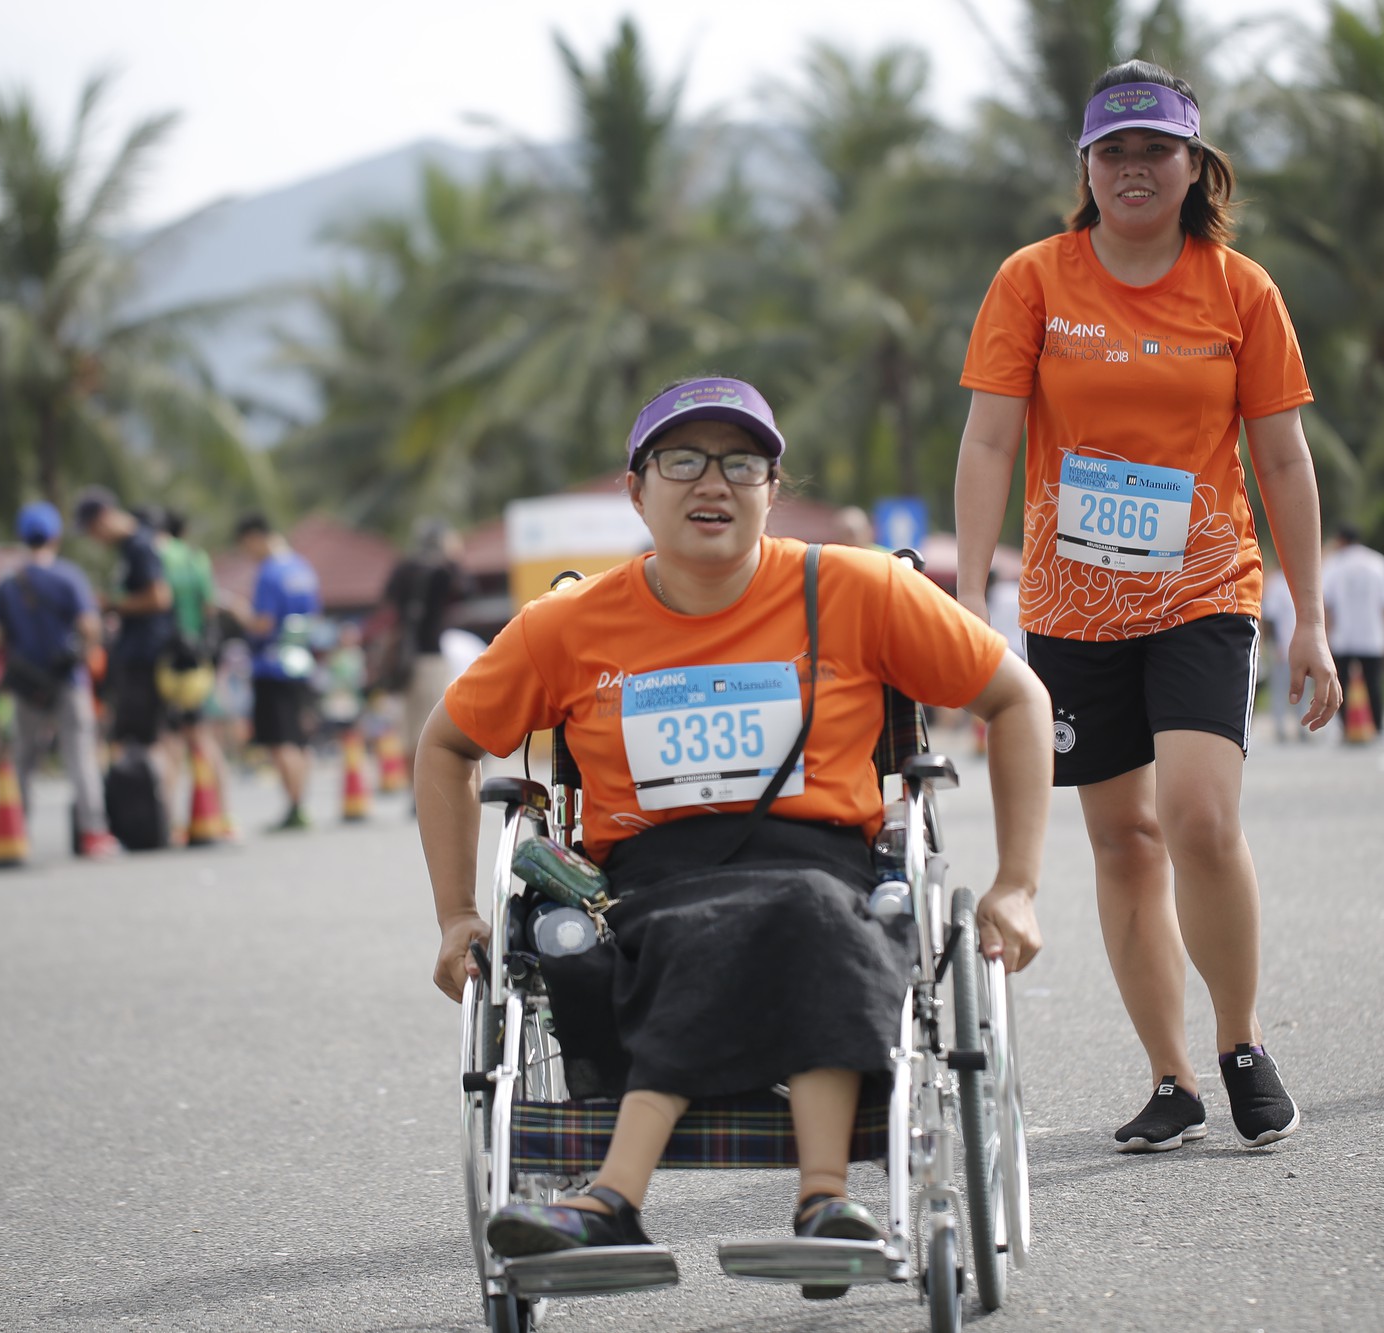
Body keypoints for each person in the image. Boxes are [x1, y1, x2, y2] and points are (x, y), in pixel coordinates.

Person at [417, 376, 1052, 1265]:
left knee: (809, 910)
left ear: (771, 489)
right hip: (644, 888)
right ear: (636, 490)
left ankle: (707, 1200)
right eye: (682, 461)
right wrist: (457, 917)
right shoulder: (564, 625)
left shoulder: (855, 589)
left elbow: (1017, 698)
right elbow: (444, 744)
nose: (712, 482)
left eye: (741, 462)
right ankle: (768, 1199)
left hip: (826, 867)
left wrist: (1018, 886)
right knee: (711, 924)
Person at [954, 61, 1340, 1154]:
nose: (1132, 169)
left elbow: (1281, 454)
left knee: (1198, 818)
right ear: (1085, 166)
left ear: (1192, 164)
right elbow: (987, 440)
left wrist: (1307, 616)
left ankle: (1239, 1042)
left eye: (1154, 151)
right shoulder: (1032, 280)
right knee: (1121, 838)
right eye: (1112, 152)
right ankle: (1170, 1077)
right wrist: (968, 594)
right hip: (1071, 602)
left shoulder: (1237, 288)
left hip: (1203, 587)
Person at [0, 501, 120, 859]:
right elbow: (89, 628)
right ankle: (94, 832)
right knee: (80, 756)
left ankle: (16, 834)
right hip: (67, 680)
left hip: (27, 684)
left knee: (24, 760)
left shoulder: (8, 585)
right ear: (56, 536)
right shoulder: (68, 577)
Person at [74, 489, 175, 793]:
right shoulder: (130, 548)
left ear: (103, 519)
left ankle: (159, 811)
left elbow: (159, 597)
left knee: (142, 739)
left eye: (93, 531)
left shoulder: (139, 545)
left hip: (146, 654)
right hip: (139, 653)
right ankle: (159, 812)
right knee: (148, 737)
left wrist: (113, 604)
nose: (96, 539)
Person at [226, 514, 322, 830]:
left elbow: (263, 623)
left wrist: (238, 612)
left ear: (255, 537)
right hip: (301, 661)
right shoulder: (302, 569)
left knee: (281, 741)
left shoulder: (269, 574)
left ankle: (293, 807)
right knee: (300, 740)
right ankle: (300, 805)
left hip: (272, 664)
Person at [153, 507, 231, 840]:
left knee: (167, 739)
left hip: (164, 659)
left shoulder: (156, 555)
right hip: (197, 660)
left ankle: (168, 821)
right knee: (202, 737)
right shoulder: (197, 559)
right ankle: (222, 816)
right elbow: (210, 607)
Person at [379, 519, 464, 759]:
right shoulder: (442, 571)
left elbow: (388, 599)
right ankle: (426, 790)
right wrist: (454, 557)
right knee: (432, 727)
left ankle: (412, 790)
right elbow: (466, 589)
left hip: (403, 659)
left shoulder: (403, 568)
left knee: (409, 727)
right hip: (431, 657)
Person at [1322, 525, 1384, 735]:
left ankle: (1345, 726)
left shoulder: (1335, 565)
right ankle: (1379, 726)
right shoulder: (1378, 563)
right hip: (1372, 634)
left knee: (1341, 684)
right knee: (1374, 682)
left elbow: (1327, 605)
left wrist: (1325, 635)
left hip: (1343, 635)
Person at [1259, 563, 1300, 743]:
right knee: (1280, 688)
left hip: (1297, 645)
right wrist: (1273, 644)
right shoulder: (1277, 584)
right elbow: (1270, 618)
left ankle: (1301, 726)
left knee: (1301, 688)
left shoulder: (1297, 583)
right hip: (1282, 646)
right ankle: (1280, 726)